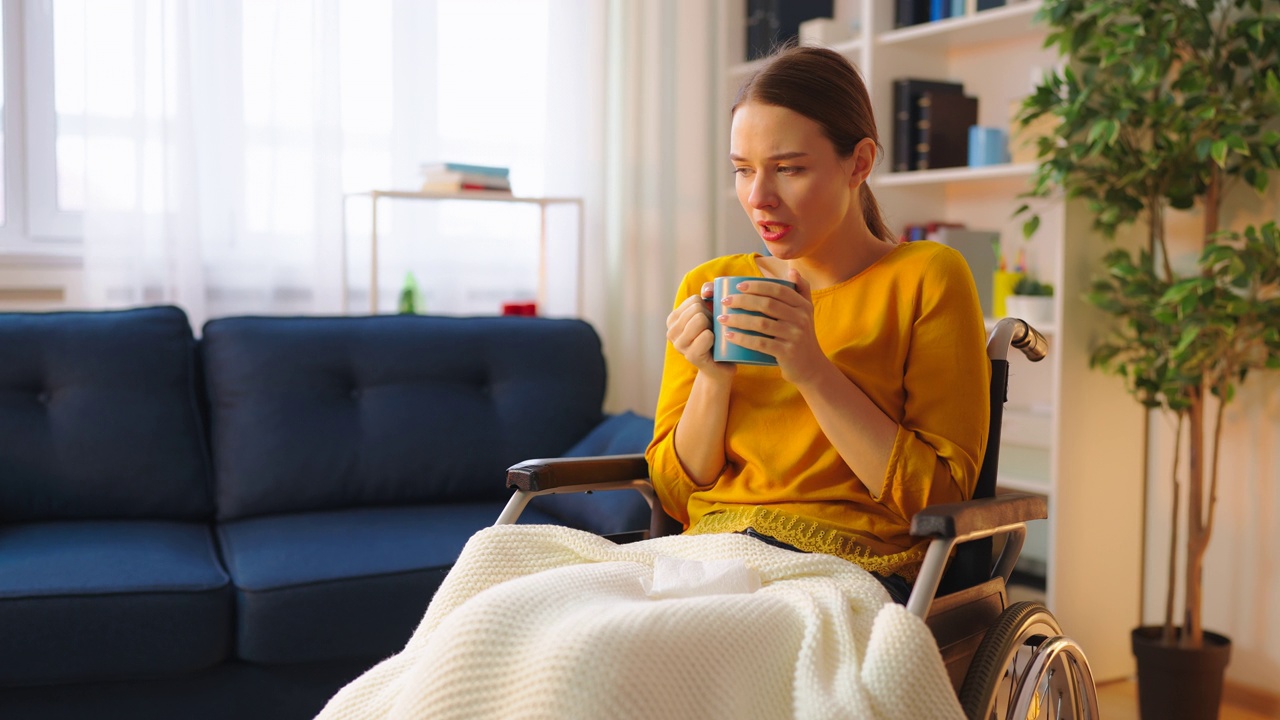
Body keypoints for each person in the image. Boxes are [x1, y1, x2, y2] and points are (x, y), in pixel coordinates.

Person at [645, 44, 990, 605]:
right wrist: (712, 377)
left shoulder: (926, 276)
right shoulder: (707, 285)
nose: (758, 198)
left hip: (845, 571)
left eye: (789, 169)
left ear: (859, 162)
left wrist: (810, 369)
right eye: (742, 170)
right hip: (704, 558)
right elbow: (676, 493)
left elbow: (939, 499)